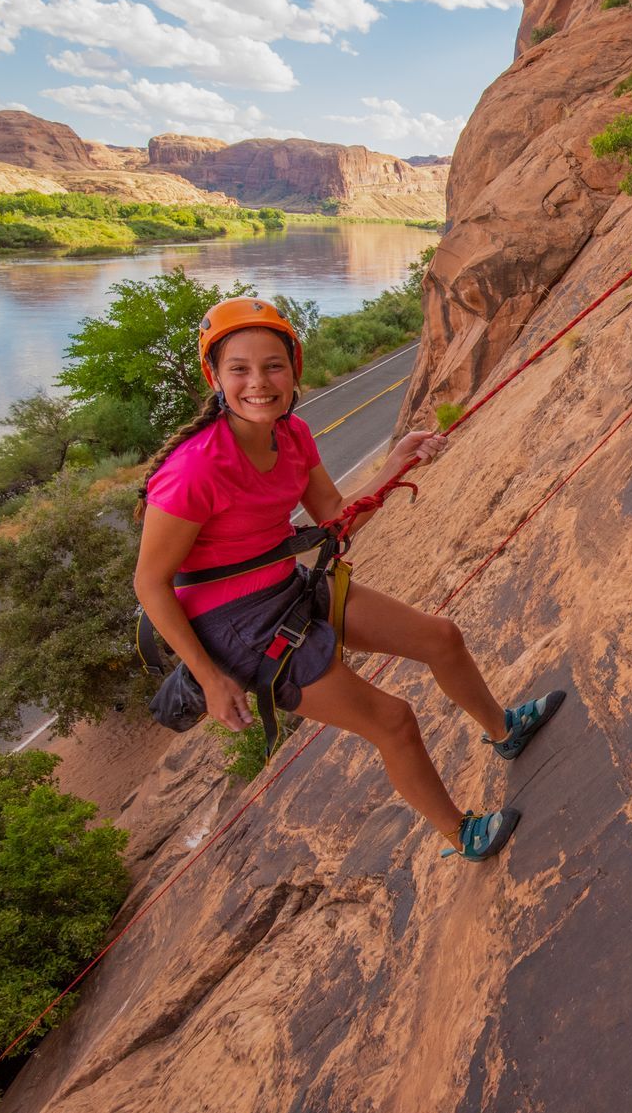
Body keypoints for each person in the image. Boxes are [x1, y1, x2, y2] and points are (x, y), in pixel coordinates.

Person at [132, 297, 562, 861]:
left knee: (440, 638)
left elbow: (333, 512)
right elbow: (150, 584)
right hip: (239, 628)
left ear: (294, 370)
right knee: (394, 721)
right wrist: (210, 678)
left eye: (273, 366)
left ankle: (504, 732)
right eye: (239, 369)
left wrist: (396, 463)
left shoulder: (292, 436)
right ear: (215, 376)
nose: (258, 382)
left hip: (284, 587)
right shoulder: (195, 469)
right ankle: (462, 835)